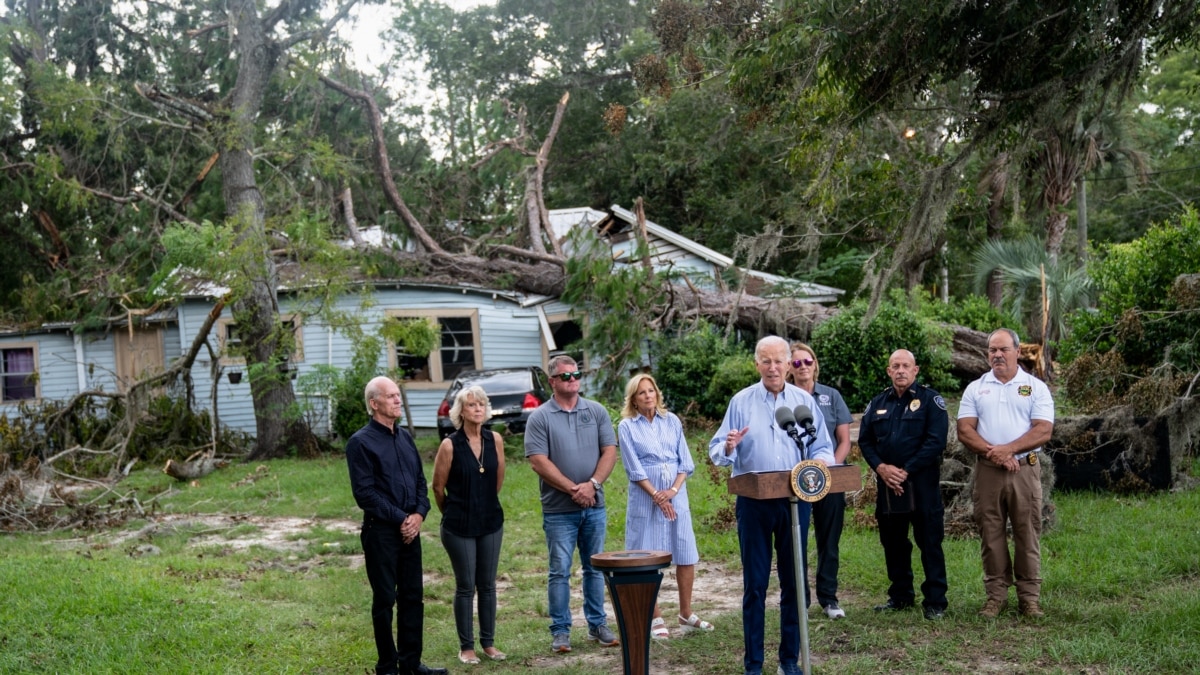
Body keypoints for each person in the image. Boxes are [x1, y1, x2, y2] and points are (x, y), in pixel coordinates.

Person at [708, 336, 835, 675]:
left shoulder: (802, 401)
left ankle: (789, 660)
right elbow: (716, 449)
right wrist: (730, 446)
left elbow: (823, 446)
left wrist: (818, 465)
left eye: (780, 360)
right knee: (756, 584)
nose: (773, 367)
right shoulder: (741, 401)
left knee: (794, 582)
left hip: (795, 502)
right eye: (766, 361)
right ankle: (754, 663)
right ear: (757, 364)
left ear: (790, 363)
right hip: (754, 502)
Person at [345, 377, 447, 675]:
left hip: (410, 531)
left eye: (397, 395)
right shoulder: (360, 443)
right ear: (374, 404)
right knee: (385, 599)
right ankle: (387, 666)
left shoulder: (404, 437)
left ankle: (411, 664)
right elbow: (364, 493)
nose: (397, 400)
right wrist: (400, 518)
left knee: (413, 596)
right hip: (381, 533)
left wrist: (418, 515)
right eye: (390, 397)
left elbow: (419, 482)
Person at [524, 355, 620, 653]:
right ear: (552, 381)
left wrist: (592, 485)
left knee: (595, 568)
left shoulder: (596, 411)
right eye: (565, 376)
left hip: (594, 506)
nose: (573, 379)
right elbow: (538, 461)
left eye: (576, 374)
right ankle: (561, 631)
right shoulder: (540, 417)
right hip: (559, 510)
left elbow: (610, 451)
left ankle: (597, 624)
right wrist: (573, 489)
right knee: (560, 571)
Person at [957, 328, 1055, 619]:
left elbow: (1043, 429)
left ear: (1017, 351)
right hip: (988, 472)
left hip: (1025, 471)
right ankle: (995, 596)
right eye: (992, 350)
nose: (997, 355)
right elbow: (965, 429)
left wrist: (1009, 450)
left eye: (1003, 350)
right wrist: (994, 454)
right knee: (991, 533)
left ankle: (1029, 599)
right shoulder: (976, 388)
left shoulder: (1035, 387)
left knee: (1027, 531)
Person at [618, 373, 713, 640]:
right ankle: (654, 615)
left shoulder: (672, 421)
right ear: (634, 400)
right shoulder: (627, 426)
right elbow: (633, 468)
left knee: (684, 550)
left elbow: (685, 463)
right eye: (642, 393)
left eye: (651, 391)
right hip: (645, 498)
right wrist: (657, 496)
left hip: (676, 494)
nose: (648, 396)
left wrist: (671, 492)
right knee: (647, 555)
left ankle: (686, 614)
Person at [857, 350, 950, 621]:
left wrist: (905, 471)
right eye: (895, 366)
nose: (900, 370)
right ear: (889, 371)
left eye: (905, 366)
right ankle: (900, 596)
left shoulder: (931, 401)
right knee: (893, 542)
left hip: (921, 485)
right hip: (888, 486)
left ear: (915, 370)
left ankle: (935, 601)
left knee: (929, 542)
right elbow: (865, 441)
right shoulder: (878, 403)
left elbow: (935, 442)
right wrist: (882, 468)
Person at [431, 385, 507, 664]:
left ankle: (488, 643)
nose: (478, 409)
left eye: (481, 404)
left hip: (490, 521)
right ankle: (467, 648)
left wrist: (483, 504)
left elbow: (497, 480)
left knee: (487, 585)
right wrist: (453, 511)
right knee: (466, 586)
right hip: (458, 525)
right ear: (460, 411)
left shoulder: (495, 439)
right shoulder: (450, 444)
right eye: (472, 405)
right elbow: (438, 488)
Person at [786, 342, 853, 620]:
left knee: (829, 539)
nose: (803, 367)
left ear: (815, 363)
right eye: (797, 363)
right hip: (793, 480)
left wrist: (830, 470)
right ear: (790, 367)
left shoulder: (831, 396)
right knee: (795, 539)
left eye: (807, 361)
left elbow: (844, 439)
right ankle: (800, 599)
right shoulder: (784, 398)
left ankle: (829, 598)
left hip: (828, 477)